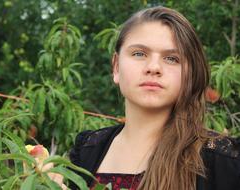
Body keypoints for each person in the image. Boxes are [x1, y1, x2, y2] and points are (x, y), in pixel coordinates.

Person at [69, 6, 240, 190]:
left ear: (189, 75)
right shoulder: (87, 149)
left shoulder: (223, 160)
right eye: (139, 54)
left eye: (172, 58)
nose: (153, 67)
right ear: (116, 67)